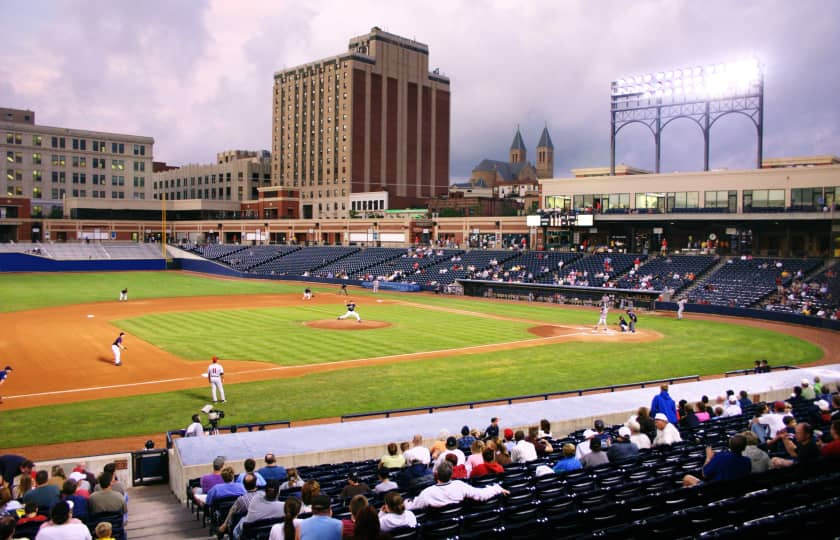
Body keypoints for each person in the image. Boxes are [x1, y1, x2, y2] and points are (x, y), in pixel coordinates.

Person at [405, 461, 508, 511]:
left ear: (437, 475)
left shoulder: (428, 492)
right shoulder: (459, 486)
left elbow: (413, 506)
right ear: (451, 475)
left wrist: (404, 503)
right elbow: (481, 494)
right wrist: (496, 488)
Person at [683, 435, 751, 487]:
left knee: (687, 478)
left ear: (730, 445)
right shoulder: (747, 461)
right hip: (738, 489)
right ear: (744, 447)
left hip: (716, 491)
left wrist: (708, 458)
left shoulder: (720, 457)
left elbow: (704, 474)